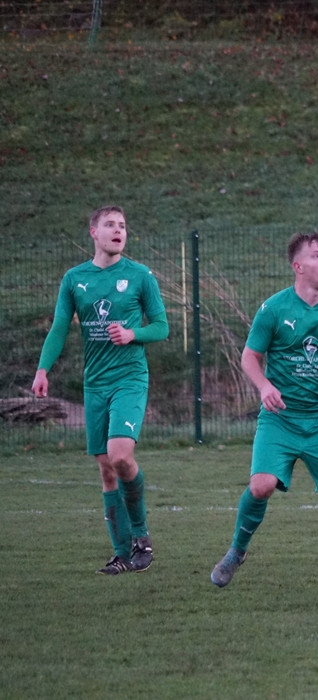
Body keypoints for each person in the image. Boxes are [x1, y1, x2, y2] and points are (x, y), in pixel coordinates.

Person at [210, 232, 318, 589]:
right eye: (316, 256)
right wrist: (264, 386)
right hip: (280, 419)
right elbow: (249, 357)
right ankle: (236, 552)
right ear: (298, 266)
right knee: (261, 485)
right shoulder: (274, 309)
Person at [31, 205, 169, 575]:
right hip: (95, 384)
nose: (118, 230)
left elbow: (161, 327)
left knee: (121, 456)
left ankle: (141, 538)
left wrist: (132, 333)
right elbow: (60, 328)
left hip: (130, 379)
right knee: (107, 470)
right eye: (110, 224)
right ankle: (122, 555)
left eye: (122, 225)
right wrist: (43, 369)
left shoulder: (140, 276)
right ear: (94, 232)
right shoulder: (75, 278)